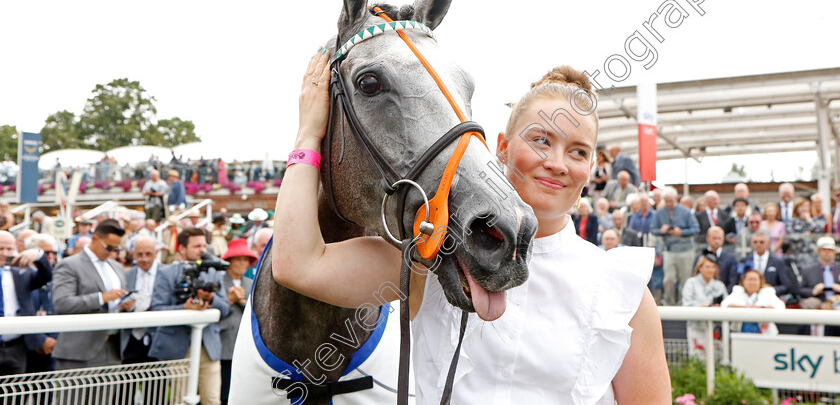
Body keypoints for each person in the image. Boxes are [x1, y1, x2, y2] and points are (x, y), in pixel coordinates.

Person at [265, 56, 669, 403]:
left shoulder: (623, 291)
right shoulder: (428, 260)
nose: (557, 162)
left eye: (578, 151)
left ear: (591, 168)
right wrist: (308, 135)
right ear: (502, 147)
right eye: (541, 140)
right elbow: (297, 264)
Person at [149, 227, 230, 405]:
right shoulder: (166, 273)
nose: (203, 250)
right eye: (197, 246)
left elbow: (225, 309)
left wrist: (211, 298)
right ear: (182, 249)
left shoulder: (213, 272)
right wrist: (184, 309)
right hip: (179, 347)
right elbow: (157, 309)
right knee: (181, 400)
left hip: (209, 347)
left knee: (212, 400)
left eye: (204, 245)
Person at [52, 219, 134, 370]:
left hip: (113, 348)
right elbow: (62, 303)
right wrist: (101, 298)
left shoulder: (116, 267)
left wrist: (126, 304)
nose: (112, 253)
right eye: (109, 247)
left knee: (106, 395)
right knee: (74, 395)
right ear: (94, 238)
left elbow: (116, 301)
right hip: (79, 351)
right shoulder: (69, 265)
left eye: (116, 249)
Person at [0, 231, 53, 375]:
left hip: (16, 346)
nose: (5, 253)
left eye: (9, 249)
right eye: (1, 249)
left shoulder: (22, 272)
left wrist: (38, 255)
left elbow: (46, 275)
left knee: (15, 394)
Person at [219, 239, 256, 405]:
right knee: (222, 386)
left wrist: (241, 300)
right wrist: (229, 300)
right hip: (223, 340)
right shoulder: (219, 282)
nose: (243, 263)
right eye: (238, 259)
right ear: (230, 261)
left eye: (245, 259)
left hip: (243, 341)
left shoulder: (250, 283)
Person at [651, 186, 700, 306]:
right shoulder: (660, 213)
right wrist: (661, 231)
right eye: (666, 201)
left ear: (676, 199)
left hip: (686, 249)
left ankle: (683, 303)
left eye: (671, 201)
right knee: (669, 279)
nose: (669, 204)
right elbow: (653, 229)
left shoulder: (686, 212)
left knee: (685, 279)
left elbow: (696, 229)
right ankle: (669, 302)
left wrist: (681, 232)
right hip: (669, 250)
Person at [121, 236, 160, 364]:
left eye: (148, 254)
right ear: (133, 255)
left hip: (157, 338)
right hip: (132, 338)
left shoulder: (167, 273)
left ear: (156, 253)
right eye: (140, 254)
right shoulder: (126, 275)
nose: (144, 259)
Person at [681, 254, 727, 359]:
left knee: (717, 358)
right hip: (696, 327)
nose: (710, 270)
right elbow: (686, 304)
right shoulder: (691, 283)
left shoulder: (720, 285)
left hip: (715, 328)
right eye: (707, 267)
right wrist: (699, 306)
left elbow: (726, 304)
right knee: (697, 358)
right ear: (700, 267)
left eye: (713, 267)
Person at [26, 233, 59, 373]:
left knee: (47, 390)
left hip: (52, 343)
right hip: (27, 346)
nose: (50, 256)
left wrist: (52, 338)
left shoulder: (58, 276)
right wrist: (40, 340)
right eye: (46, 253)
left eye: (54, 252)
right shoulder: (21, 275)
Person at [721, 269, 786, 335]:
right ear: (743, 281)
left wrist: (760, 307)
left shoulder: (767, 292)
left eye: (755, 280)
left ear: (760, 281)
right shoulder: (738, 291)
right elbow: (724, 305)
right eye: (750, 279)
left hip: (765, 334)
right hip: (740, 334)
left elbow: (780, 307)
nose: (752, 282)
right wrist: (745, 307)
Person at [693, 226, 737, 290]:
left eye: (719, 238)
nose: (717, 241)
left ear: (723, 239)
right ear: (708, 238)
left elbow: (733, 280)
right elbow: (695, 276)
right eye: (714, 238)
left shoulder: (730, 258)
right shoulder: (700, 257)